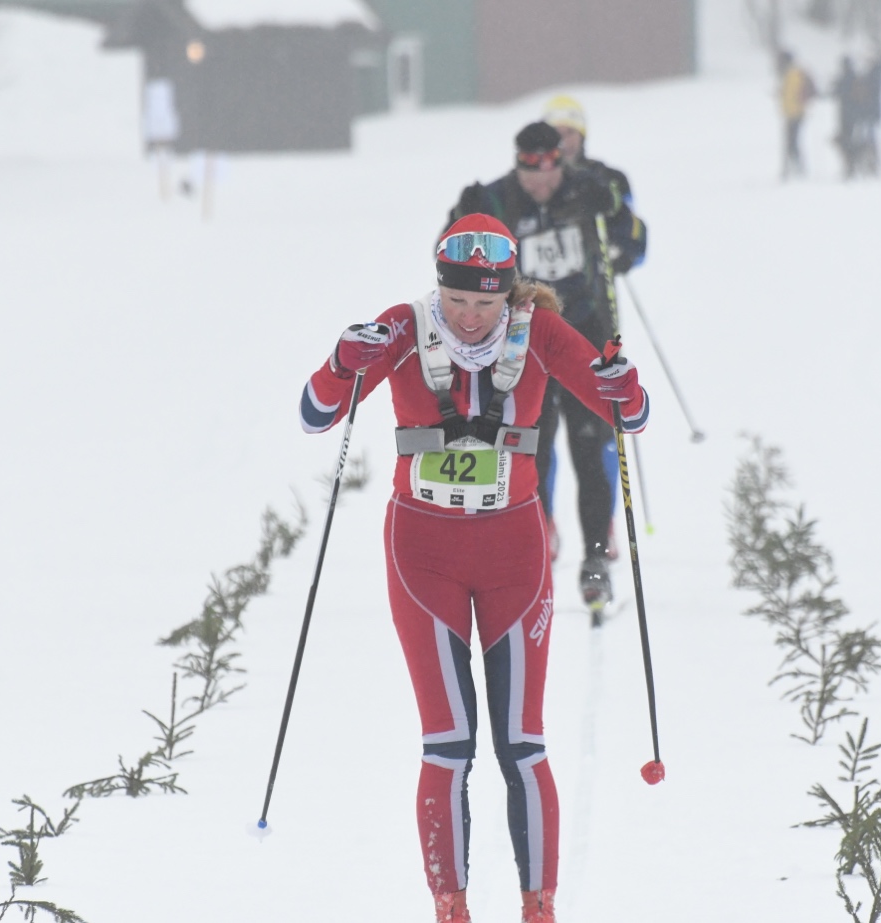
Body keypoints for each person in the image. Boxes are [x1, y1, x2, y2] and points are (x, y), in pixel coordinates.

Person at [298, 214, 650, 923]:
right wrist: (342, 361)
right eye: (457, 301)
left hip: (513, 552)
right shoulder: (403, 326)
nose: (468, 318)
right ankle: (451, 908)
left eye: (484, 304)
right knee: (448, 740)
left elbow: (628, 416)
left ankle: (539, 907)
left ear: (507, 293)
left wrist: (623, 384)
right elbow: (314, 415)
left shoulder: (538, 330)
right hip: (421, 553)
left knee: (521, 740)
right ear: (439, 287)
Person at [446, 122, 647, 612]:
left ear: (561, 163)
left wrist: (616, 208)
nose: (540, 183)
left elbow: (635, 243)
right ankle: (537, 538)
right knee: (528, 445)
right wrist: (463, 213)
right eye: (529, 172)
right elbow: (451, 254)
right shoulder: (498, 198)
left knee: (590, 446)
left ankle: (596, 557)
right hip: (523, 341)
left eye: (550, 171)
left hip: (583, 335)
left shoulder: (586, 190)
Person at [539, 95, 649, 566]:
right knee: (535, 434)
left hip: (589, 319)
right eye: (555, 133)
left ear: (582, 136)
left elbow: (635, 235)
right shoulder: (533, 184)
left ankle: (600, 526)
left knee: (595, 430)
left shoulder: (607, 178)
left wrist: (622, 253)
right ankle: (541, 524)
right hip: (540, 325)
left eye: (570, 132)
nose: (563, 142)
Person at [777, 49, 816, 180]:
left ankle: (794, 169)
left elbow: (793, 93)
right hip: (793, 112)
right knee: (792, 141)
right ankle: (794, 168)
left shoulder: (793, 74)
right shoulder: (793, 73)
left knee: (791, 142)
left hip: (795, 112)